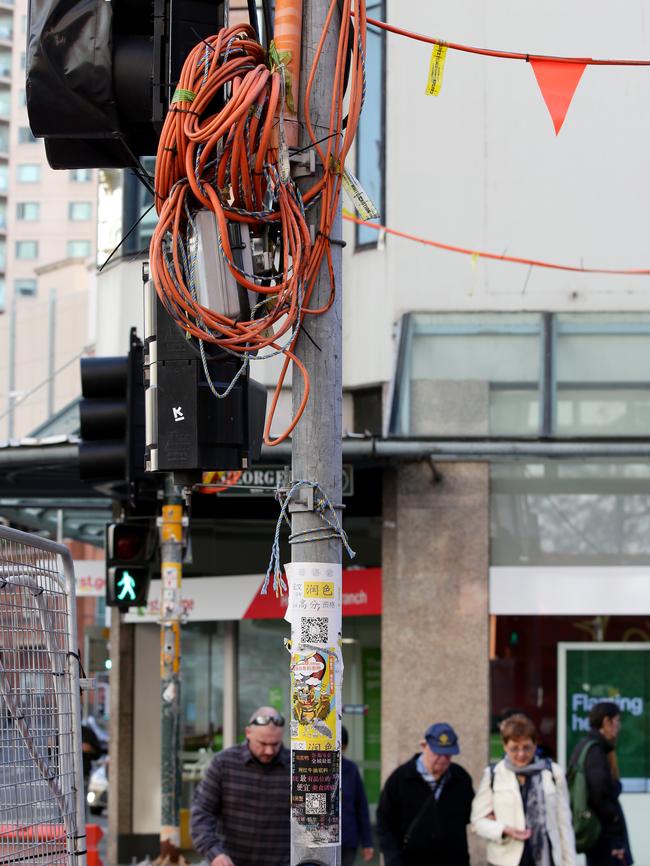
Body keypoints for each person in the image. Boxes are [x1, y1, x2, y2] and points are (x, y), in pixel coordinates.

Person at [471, 712, 575, 866]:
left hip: (546, 858)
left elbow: (564, 825)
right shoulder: (494, 775)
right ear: (505, 746)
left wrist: (569, 862)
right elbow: (477, 821)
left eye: (527, 747)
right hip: (505, 859)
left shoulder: (553, 773)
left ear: (535, 744)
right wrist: (504, 830)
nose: (521, 754)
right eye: (514, 748)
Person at [190, 706, 290, 866]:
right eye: (263, 743)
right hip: (231, 861)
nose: (269, 750)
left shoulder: (296, 767)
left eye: (275, 744)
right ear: (248, 733)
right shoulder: (223, 763)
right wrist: (214, 853)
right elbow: (202, 813)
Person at [376, 722, 474, 866]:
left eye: (448, 755)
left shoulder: (460, 778)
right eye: (437, 753)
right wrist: (393, 860)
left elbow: (471, 815)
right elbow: (385, 825)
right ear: (424, 746)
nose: (443, 759)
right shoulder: (400, 779)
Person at [568, 701, 633, 866]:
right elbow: (600, 794)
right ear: (606, 722)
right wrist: (614, 818)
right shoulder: (596, 751)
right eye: (617, 721)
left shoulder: (584, 746)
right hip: (604, 836)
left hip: (595, 832)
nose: (619, 727)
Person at [341, 725, 374, 865]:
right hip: (319, 840)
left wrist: (367, 842)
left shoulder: (351, 770)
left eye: (340, 748)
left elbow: (361, 807)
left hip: (347, 840)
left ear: (345, 747)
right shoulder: (314, 771)